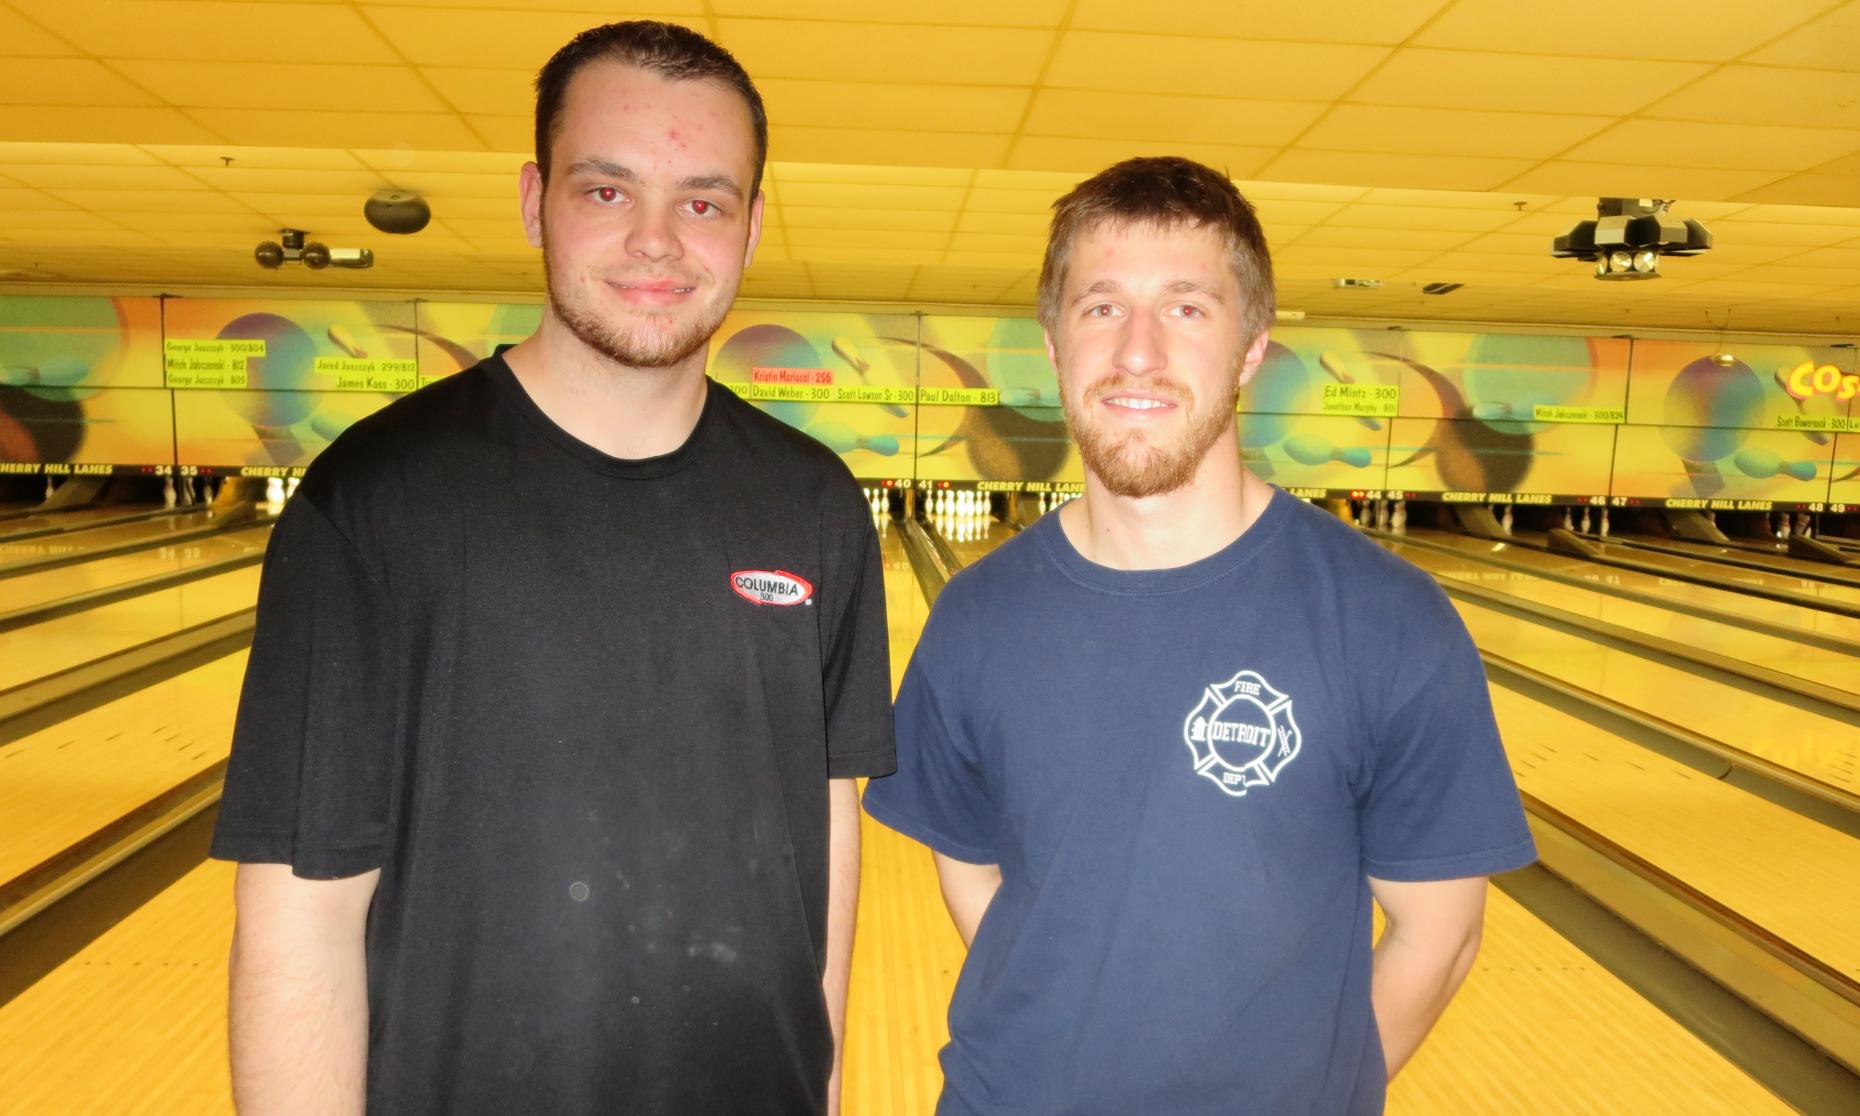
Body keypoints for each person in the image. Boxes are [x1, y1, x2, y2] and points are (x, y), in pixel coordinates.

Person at [211, 21, 894, 1115]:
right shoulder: (375, 506)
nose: (659, 243)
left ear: (754, 227)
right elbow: (302, 916)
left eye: (705, 202)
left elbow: (827, 833)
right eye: (609, 191)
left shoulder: (815, 506)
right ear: (536, 200)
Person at [862, 156, 1535, 1115]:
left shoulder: (1389, 620)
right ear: (1053, 342)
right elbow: (971, 867)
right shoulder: (973, 617)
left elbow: (1441, 935)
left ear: (1252, 345)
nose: (1137, 352)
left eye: (1186, 307)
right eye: (1100, 307)